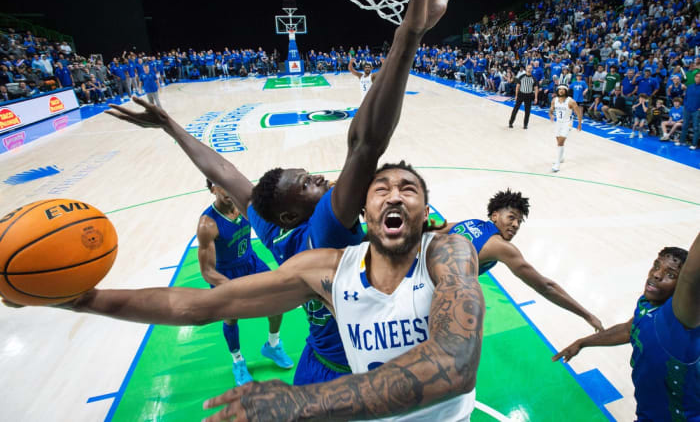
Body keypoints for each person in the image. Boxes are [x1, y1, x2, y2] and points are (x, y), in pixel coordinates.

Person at [106, 0, 452, 385]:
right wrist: (408, 35)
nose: (320, 180)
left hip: (316, 360)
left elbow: (222, 171)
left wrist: (170, 125)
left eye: (309, 176)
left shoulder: (272, 229)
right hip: (354, 373)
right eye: (306, 185)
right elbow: (365, 143)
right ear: (292, 214)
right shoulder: (325, 228)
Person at [6, 162, 485, 422]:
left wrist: (303, 402)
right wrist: (80, 299)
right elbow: (197, 305)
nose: (394, 194)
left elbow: (454, 366)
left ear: (426, 212)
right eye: (380, 188)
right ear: (363, 207)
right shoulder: (323, 268)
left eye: (409, 189)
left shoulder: (448, 253)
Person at [553, 233, 699, 421]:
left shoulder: (679, 318)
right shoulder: (647, 304)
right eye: (656, 266)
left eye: (671, 275)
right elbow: (628, 329)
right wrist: (583, 342)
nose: (656, 274)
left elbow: (692, 278)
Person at [439, 189, 603, 331]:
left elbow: (430, 231)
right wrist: (586, 315)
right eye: (511, 217)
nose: (516, 224)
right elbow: (545, 287)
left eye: (519, 221)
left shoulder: (471, 223)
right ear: (495, 216)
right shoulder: (501, 247)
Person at [198, 179, 293, 385]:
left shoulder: (245, 207)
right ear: (212, 188)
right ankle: (238, 361)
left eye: (227, 183)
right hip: (225, 273)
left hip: (251, 262)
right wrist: (232, 288)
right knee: (231, 318)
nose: (227, 188)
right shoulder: (208, 224)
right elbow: (207, 271)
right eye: (219, 184)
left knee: (278, 300)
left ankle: (273, 345)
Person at [549, 84, 582, 173]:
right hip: (558, 122)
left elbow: (578, 113)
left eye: (563, 89)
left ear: (566, 91)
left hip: (567, 123)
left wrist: (579, 124)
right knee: (558, 141)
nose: (561, 90)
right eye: (560, 89)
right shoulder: (554, 100)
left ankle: (557, 164)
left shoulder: (571, 101)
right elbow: (551, 109)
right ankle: (562, 157)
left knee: (560, 142)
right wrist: (551, 114)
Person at [508, 63, 538, 129]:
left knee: (527, 111)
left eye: (530, 68)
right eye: (528, 68)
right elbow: (517, 86)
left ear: (532, 69)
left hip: (529, 95)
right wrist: (516, 95)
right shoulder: (521, 76)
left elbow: (536, 89)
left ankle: (525, 125)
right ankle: (510, 123)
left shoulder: (534, 78)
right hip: (521, 94)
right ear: (526, 69)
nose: (529, 69)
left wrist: (536, 98)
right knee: (515, 109)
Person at [678, 72, 700, 150]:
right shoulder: (690, 87)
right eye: (697, 76)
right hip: (687, 109)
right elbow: (686, 97)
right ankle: (682, 141)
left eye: (699, 77)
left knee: (696, 128)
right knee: (684, 126)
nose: (698, 78)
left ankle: (694, 144)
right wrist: (685, 105)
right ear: (694, 78)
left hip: (696, 111)